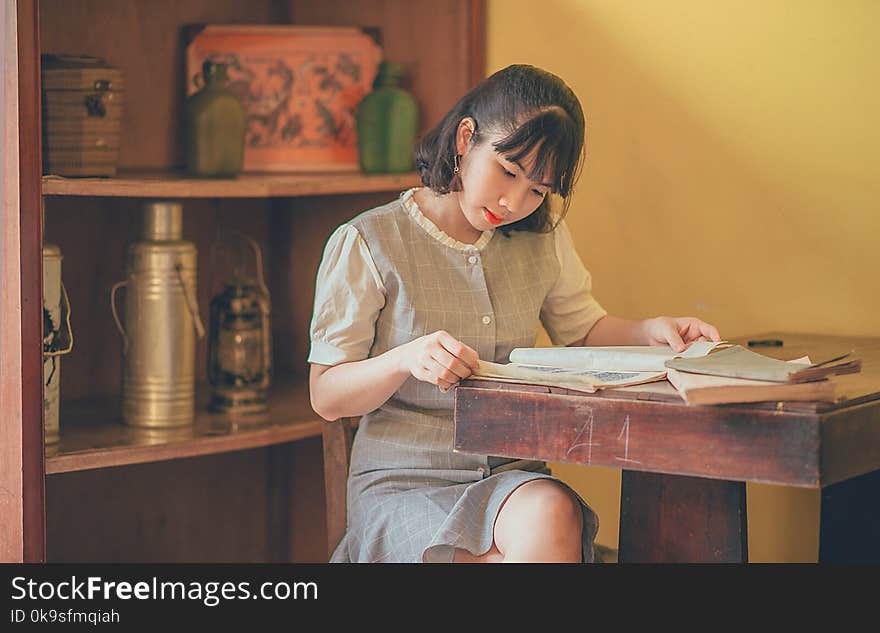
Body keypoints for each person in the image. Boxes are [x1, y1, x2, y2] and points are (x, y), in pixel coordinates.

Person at [308, 64, 720, 563]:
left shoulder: (540, 240)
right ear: (465, 139)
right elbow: (326, 395)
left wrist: (652, 329)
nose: (513, 201)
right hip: (403, 485)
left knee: (553, 511)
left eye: (538, 190)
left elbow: (584, 330)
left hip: (510, 481)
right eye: (507, 171)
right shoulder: (368, 243)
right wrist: (405, 359)